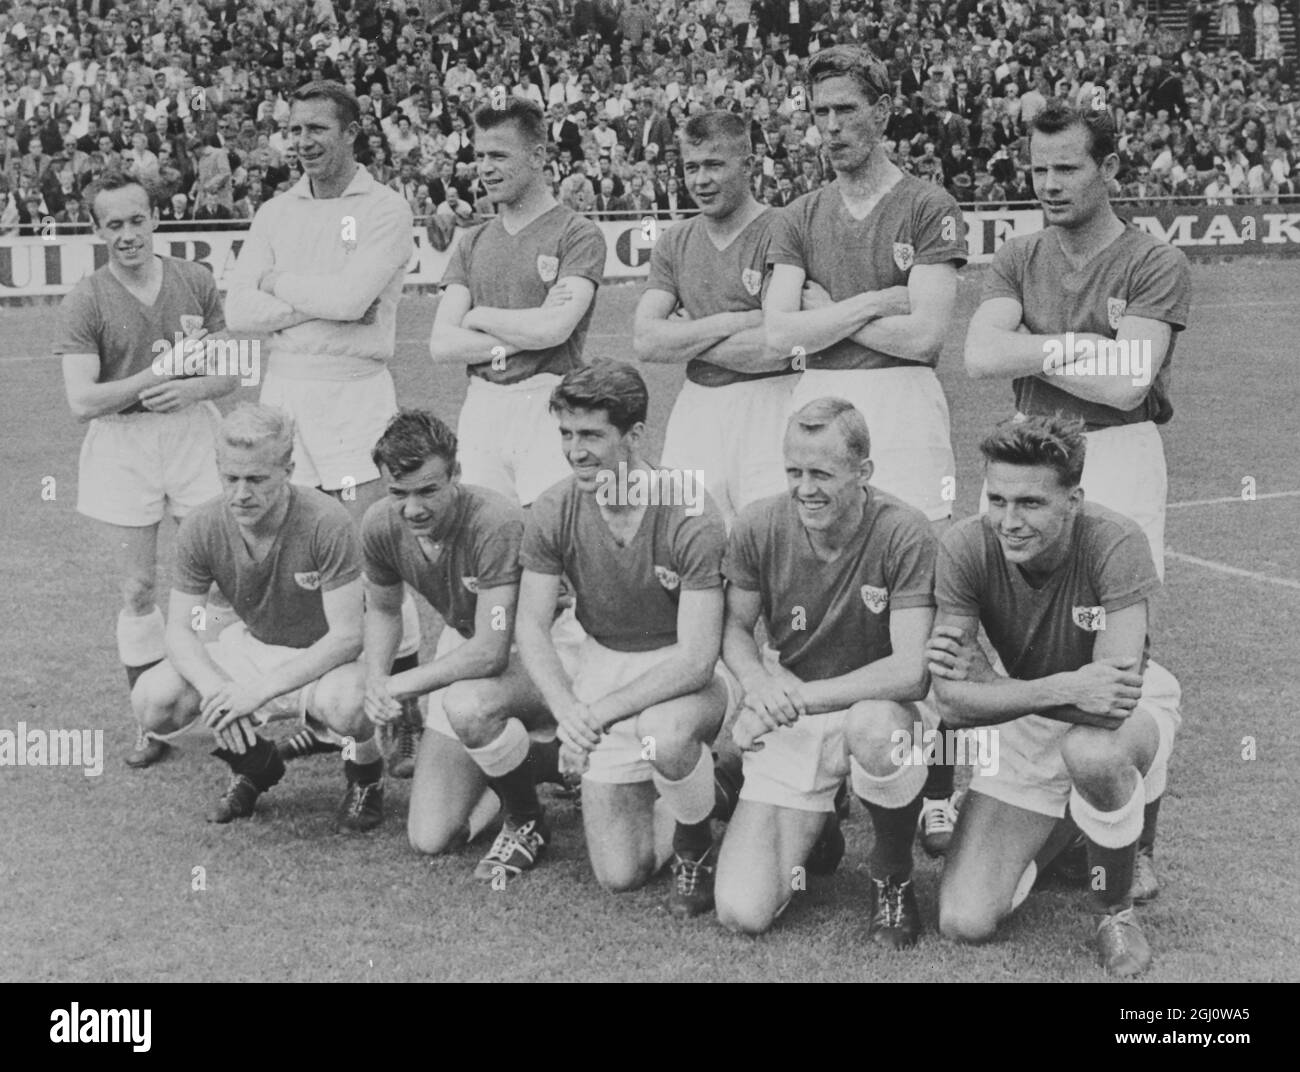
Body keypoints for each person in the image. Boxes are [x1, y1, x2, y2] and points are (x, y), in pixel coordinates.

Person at [964, 99, 1191, 898]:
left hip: (1120, 450)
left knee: (1124, 638)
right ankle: (1047, 802)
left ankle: (1141, 836)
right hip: (1032, 456)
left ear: (1109, 169)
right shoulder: (1019, 257)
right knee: (1031, 619)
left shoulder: (1152, 260)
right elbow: (980, 352)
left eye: (1068, 167)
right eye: (1038, 169)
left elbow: (1132, 380)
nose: (1050, 183)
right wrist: (1085, 346)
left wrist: (1048, 352)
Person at [762, 44, 967, 852]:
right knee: (827, 585)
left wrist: (840, 305)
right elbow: (780, 330)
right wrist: (880, 298)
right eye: (821, 113)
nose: (834, 126)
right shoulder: (798, 215)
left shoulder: (927, 204)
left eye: (849, 109)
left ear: (882, 110)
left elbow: (924, 335)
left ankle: (940, 780)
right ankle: (846, 769)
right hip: (819, 403)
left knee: (933, 592)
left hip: (905, 410)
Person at [928, 417, 1181, 977]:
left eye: (1031, 503)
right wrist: (1057, 688)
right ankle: (1076, 826)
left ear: (1074, 498)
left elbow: (1113, 701)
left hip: (1123, 712)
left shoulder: (1116, 540)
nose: (1009, 521)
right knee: (963, 920)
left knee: (1093, 754)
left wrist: (995, 689)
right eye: (997, 499)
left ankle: (1114, 911)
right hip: (1030, 712)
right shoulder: (966, 545)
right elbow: (950, 701)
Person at [225, 81, 425, 776]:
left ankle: (395, 705)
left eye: (316, 128)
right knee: (299, 552)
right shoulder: (277, 210)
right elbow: (238, 310)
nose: (303, 141)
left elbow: (352, 299)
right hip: (285, 395)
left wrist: (281, 286)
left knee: (373, 555)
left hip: (354, 397)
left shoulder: (385, 208)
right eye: (294, 128)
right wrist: (321, 302)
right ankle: (329, 700)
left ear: (350, 131)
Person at [715, 398, 936, 943]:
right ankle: (821, 828)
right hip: (794, 707)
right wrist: (759, 685)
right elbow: (735, 630)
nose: (805, 488)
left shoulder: (906, 532)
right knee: (742, 911)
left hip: (882, 707)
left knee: (874, 730)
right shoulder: (759, 523)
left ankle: (892, 876)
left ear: (863, 473)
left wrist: (801, 697)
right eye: (794, 471)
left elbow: (912, 672)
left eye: (821, 473)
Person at [515, 362, 731, 916]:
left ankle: (695, 842)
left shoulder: (690, 511)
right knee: (621, 873)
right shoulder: (553, 509)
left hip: (685, 677)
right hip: (604, 665)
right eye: (566, 434)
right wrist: (568, 710)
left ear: (634, 435)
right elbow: (530, 626)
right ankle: (719, 788)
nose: (575, 450)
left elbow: (698, 658)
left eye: (591, 435)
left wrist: (599, 712)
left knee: (665, 734)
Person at [55, 169, 237, 769]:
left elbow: (232, 371)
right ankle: (149, 719)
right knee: (137, 589)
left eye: (137, 220)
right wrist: (158, 377)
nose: (128, 234)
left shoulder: (195, 280)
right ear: (97, 230)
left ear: (156, 218)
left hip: (192, 436)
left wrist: (191, 391)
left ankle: (226, 703)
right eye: (114, 225)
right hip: (122, 445)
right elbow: (82, 401)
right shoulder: (85, 298)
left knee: (217, 582)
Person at [130, 404, 386, 831]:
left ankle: (366, 774)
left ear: (288, 468)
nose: (241, 493)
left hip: (323, 661)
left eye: (256, 479)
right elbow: (180, 629)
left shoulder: (327, 522)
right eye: (230, 478)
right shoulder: (202, 525)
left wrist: (256, 693)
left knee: (352, 704)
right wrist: (218, 691)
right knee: (152, 701)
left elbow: (346, 637)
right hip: (253, 648)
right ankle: (253, 761)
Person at [361, 410, 584, 878]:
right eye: (398, 493)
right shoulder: (379, 525)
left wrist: (403, 688)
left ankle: (528, 819)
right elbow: (383, 610)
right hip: (463, 649)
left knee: (469, 707)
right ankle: (539, 763)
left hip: (546, 650)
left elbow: (491, 649)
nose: (412, 509)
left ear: (456, 474)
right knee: (430, 836)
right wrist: (377, 679)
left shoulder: (494, 522)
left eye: (428, 490)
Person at [429, 98, 606, 508]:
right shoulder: (472, 241)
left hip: (549, 404)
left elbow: (556, 330)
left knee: (548, 540)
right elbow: (441, 345)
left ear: (538, 156)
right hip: (481, 404)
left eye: (499, 156)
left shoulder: (577, 234)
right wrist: (532, 329)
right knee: (487, 542)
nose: (486, 168)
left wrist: (480, 316)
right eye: (480, 156)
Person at [633, 110, 794, 530]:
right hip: (696, 407)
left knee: (767, 544)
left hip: (772, 403)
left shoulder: (784, 230)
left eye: (714, 165)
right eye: (691, 167)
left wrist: (685, 332)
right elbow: (647, 341)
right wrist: (736, 320)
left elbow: (775, 347)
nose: (701, 181)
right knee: (688, 542)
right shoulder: (675, 240)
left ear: (748, 165)